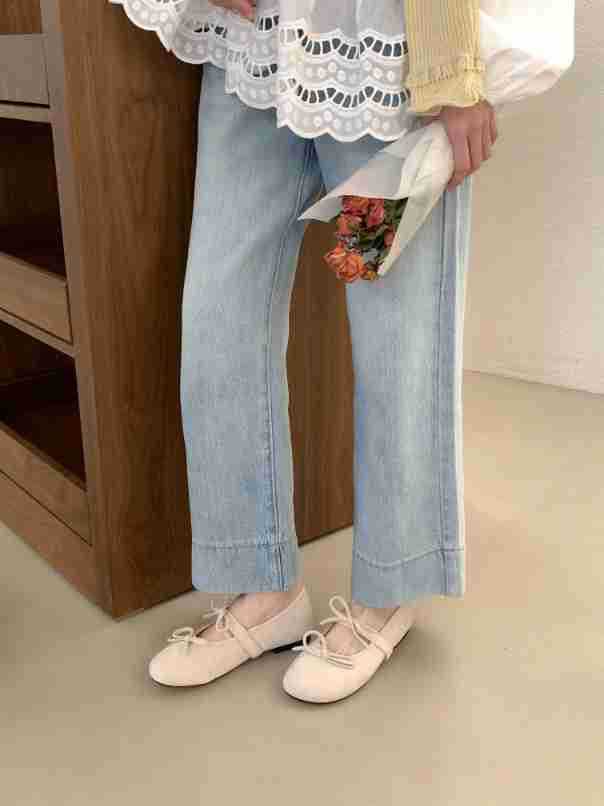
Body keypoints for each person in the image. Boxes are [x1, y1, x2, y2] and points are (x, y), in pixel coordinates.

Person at [111, 0, 498, 703]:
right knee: (219, 312)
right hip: (255, 51)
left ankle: (390, 589)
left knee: (395, 332)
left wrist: (454, 74)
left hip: (383, 59)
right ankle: (262, 586)